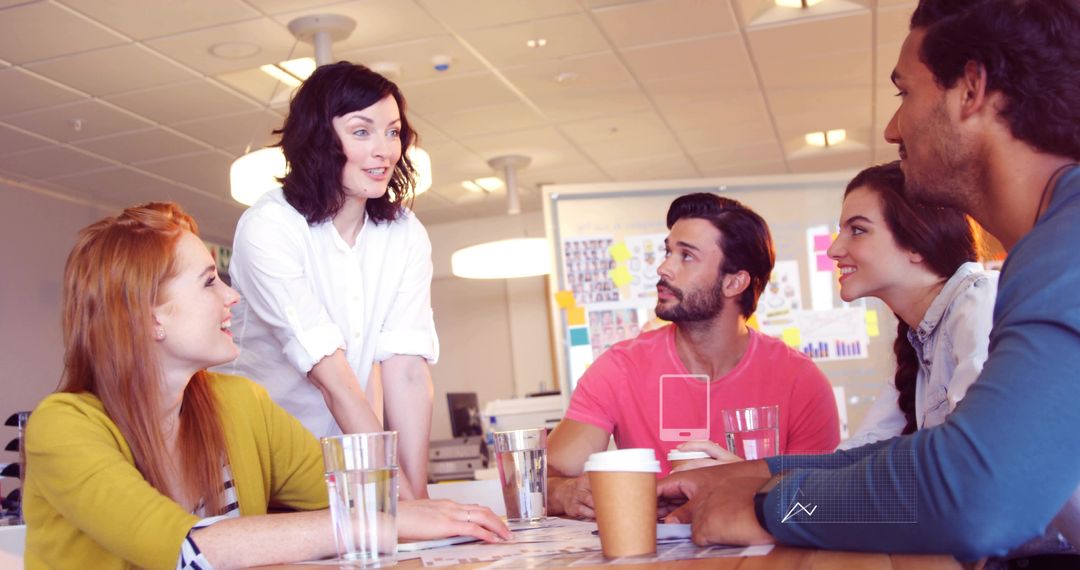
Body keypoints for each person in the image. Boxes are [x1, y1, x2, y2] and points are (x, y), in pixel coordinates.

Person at [657, 0, 1080, 561]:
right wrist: (745, 480)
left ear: (971, 89)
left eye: (905, 93)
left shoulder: (1061, 252)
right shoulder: (1048, 250)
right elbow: (893, 457)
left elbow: (972, 495)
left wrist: (770, 506)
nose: (891, 128)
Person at [22, 203, 510, 570]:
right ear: (150, 318)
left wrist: (400, 514)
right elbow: (184, 549)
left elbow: (355, 499)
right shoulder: (64, 427)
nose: (232, 296)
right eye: (210, 282)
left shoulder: (239, 402)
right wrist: (378, 522)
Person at [547, 193, 840, 518]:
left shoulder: (801, 381)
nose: (663, 268)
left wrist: (744, 482)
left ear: (734, 282)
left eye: (686, 256)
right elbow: (549, 476)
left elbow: (821, 505)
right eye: (668, 251)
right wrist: (563, 493)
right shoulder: (619, 368)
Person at [219, 62, 436, 499]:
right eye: (361, 132)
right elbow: (331, 376)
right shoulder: (270, 227)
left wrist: (418, 494)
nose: (384, 150)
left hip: (353, 456)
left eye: (392, 132)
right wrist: (402, 498)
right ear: (319, 139)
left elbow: (407, 371)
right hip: (260, 461)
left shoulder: (404, 233)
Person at [829, 161, 997, 449]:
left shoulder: (978, 299)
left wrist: (778, 487)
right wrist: (756, 478)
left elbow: (974, 456)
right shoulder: (918, 341)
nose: (834, 249)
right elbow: (861, 454)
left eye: (857, 230)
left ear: (916, 243)